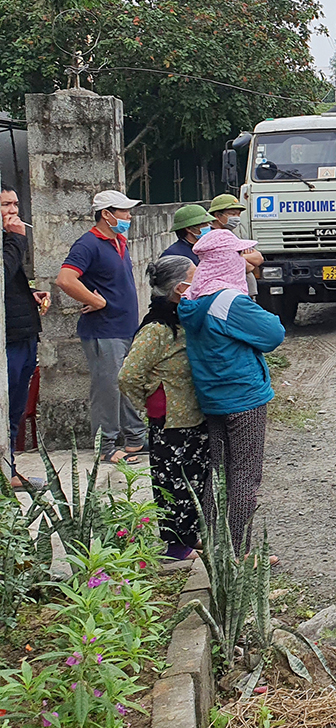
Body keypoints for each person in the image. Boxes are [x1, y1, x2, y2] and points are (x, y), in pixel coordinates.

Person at [177, 229, 285, 554]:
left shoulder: (194, 300)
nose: (243, 260)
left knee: (219, 472)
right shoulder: (227, 301)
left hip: (213, 397)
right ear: (226, 260)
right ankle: (237, 554)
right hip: (243, 397)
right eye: (238, 255)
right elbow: (273, 333)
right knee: (245, 479)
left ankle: (214, 546)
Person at [118, 256, 208, 561]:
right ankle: (176, 546)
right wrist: (150, 399)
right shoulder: (156, 328)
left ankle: (190, 538)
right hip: (170, 418)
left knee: (195, 477)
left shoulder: (182, 319)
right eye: (194, 277)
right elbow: (128, 375)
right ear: (180, 288)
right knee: (173, 482)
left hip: (191, 414)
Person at [55, 190, 148, 464]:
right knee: (107, 388)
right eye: (123, 212)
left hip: (124, 327)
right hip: (103, 330)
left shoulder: (119, 241)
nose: (128, 216)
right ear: (106, 214)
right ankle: (104, 445)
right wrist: (94, 300)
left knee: (125, 384)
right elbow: (65, 279)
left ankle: (134, 437)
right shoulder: (88, 244)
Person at [3, 188, 48, 488]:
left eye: (16, 204)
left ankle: (9, 469)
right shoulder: (11, 240)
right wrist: (16, 239)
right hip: (9, 338)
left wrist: (30, 295)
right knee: (6, 407)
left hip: (24, 331)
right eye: (5, 204)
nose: (13, 210)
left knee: (17, 406)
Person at [207, 194, 262, 295]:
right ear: (218, 215)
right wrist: (242, 258)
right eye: (232, 214)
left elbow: (258, 258)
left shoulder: (236, 233)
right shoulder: (212, 238)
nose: (236, 218)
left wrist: (240, 257)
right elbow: (248, 267)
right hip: (229, 293)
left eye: (238, 214)